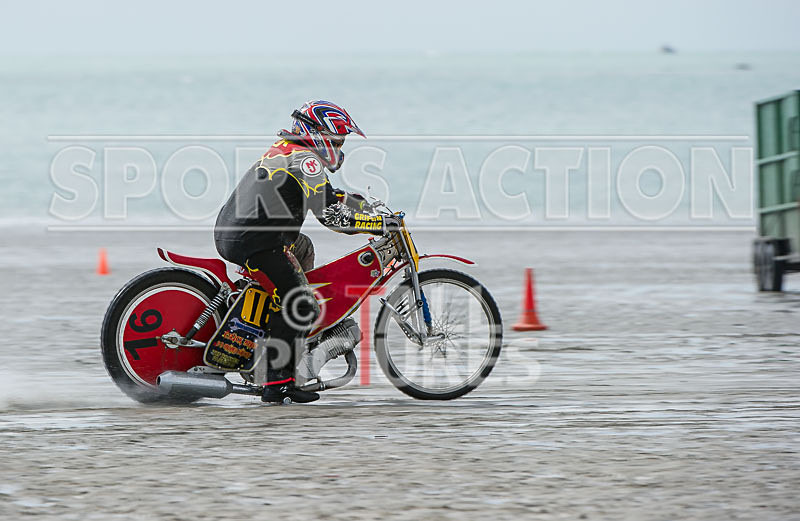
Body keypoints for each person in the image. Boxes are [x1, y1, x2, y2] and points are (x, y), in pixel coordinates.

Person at [214, 100, 398, 404]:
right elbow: (333, 218)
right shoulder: (306, 161)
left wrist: (360, 205)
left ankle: (287, 330)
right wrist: (378, 224)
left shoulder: (288, 149)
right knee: (301, 302)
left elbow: (324, 196)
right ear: (319, 135)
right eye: (337, 141)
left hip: (241, 233)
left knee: (304, 249)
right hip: (255, 242)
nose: (339, 148)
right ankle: (278, 384)